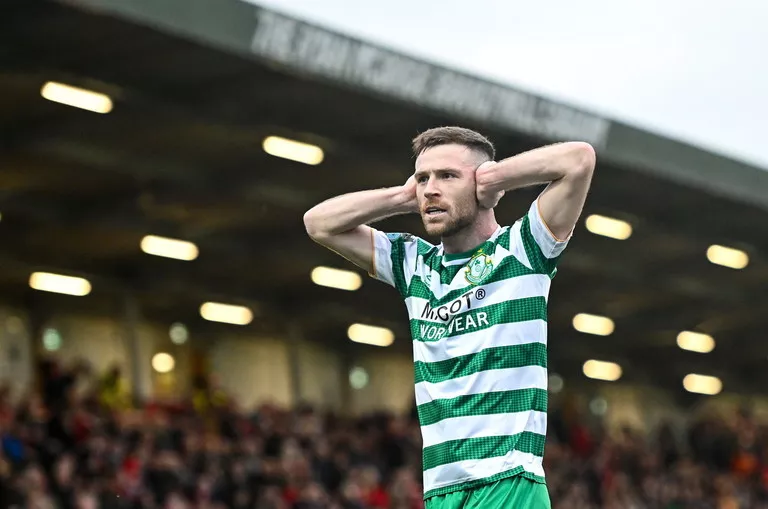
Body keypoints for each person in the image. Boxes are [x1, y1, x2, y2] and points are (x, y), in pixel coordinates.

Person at [303, 126, 596, 508]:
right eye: (423, 178)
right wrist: (402, 196)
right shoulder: (413, 265)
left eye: (447, 176)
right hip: (441, 491)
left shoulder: (523, 249)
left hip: (508, 481)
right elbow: (317, 223)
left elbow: (579, 159)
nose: (430, 188)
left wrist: (495, 177)